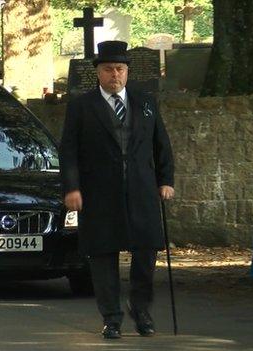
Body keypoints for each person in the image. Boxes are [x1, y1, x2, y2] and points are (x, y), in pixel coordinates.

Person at [59, 40, 175, 339]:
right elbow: (69, 150)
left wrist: (166, 180)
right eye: (109, 69)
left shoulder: (145, 102)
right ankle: (111, 317)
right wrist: (72, 188)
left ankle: (141, 309)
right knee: (103, 255)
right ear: (98, 72)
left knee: (146, 252)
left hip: (142, 190)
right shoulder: (82, 106)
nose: (115, 75)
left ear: (127, 72)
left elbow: (161, 144)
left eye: (120, 69)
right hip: (99, 193)